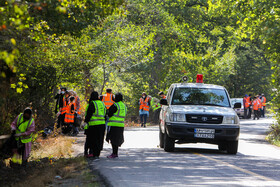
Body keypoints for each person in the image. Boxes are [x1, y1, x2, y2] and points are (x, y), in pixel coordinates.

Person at [84, 91, 106, 159]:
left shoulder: (92, 103)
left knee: (93, 139)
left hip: (93, 124)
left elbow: (89, 114)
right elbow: (105, 113)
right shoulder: (102, 103)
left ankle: (93, 153)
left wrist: (85, 122)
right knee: (100, 139)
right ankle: (97, 153)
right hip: (102, 124)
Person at [106, 93, 127, 159]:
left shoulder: (115, 105)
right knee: (118, 139)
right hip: (121, 124)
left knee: (113, 139)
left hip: (113, 124)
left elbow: (109, 114)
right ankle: (115, 153)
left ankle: (114, 153)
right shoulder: (124, 105)